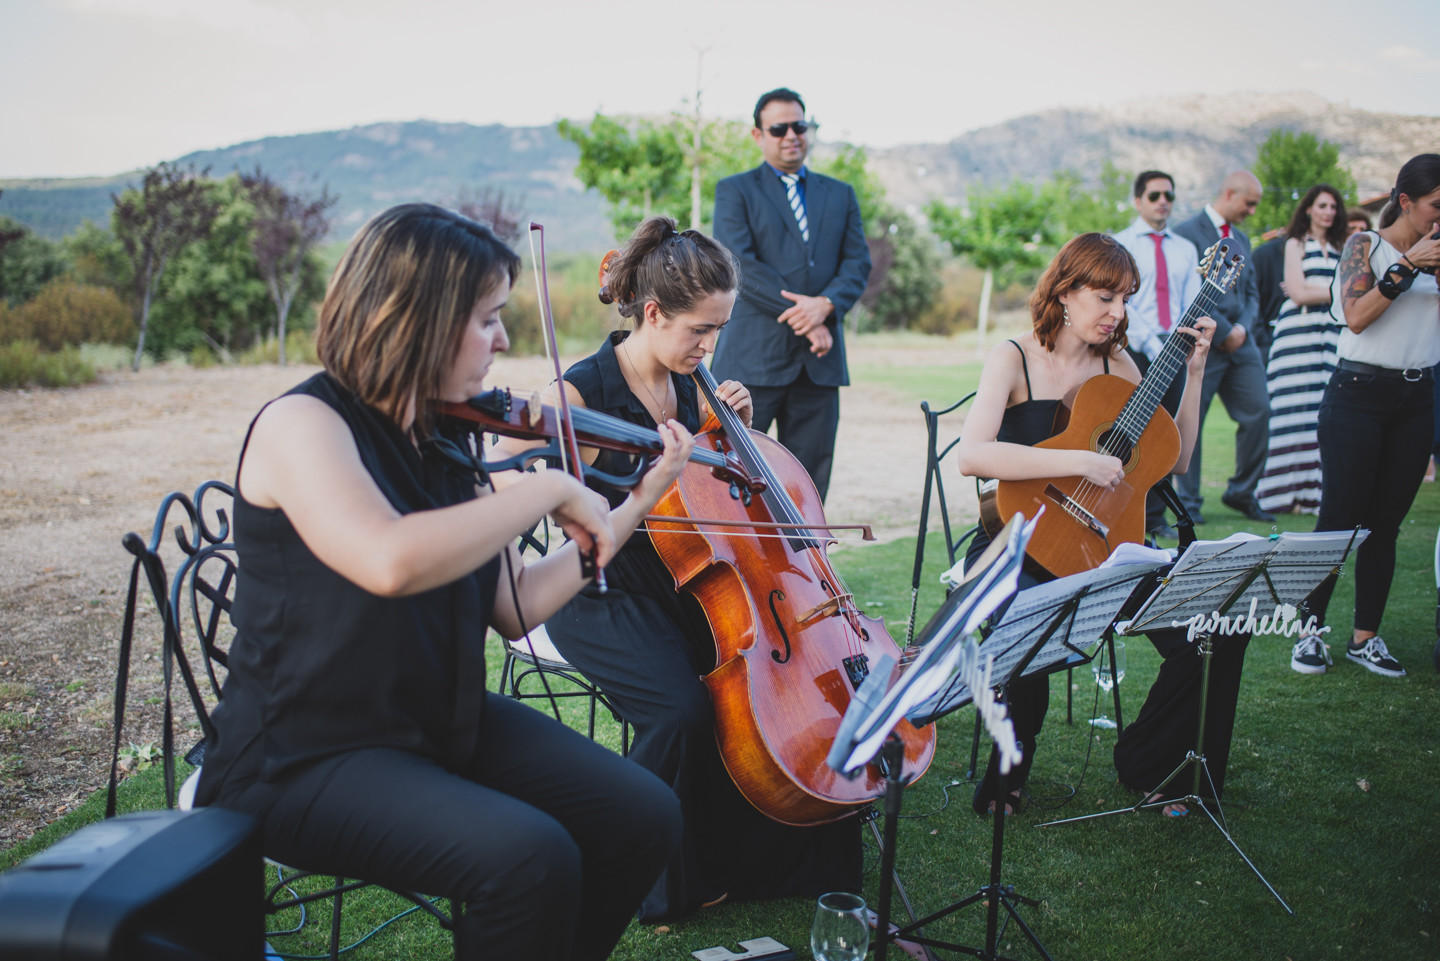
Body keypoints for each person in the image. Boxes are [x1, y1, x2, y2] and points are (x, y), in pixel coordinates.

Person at [194, 204, 684, 961]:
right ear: (417, 316)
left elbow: (515, 604)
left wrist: (637, 504)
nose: (504, 341)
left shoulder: (446, 430)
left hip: (431, 717)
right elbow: (389, 558)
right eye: (487, 318)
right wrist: (545, 488)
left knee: (644, 813)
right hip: (301, 754)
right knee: (529, 858)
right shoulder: (304, 424)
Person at [494, 216, 861, 922]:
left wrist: (727, 432)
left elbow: (710, 500)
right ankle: (640, 868)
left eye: (718, 330)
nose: (709, 346)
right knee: (682, 710)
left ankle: (755, 858)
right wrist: (562, 480)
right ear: (653, 313)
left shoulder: (695, 384)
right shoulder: (583, 393)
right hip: (597, 585)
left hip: (690, 581)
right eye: (699, 329)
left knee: (752, 701)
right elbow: (516, 479)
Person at [956, 233, 1230, 817]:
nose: (1118, 313)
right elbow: (972, 455)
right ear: (1065, 291)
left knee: (1205, 627)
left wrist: (1197, 372)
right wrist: (1078, 460)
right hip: (1015, 543)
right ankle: (1009, 771)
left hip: (1104, 546)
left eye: (1126, 299)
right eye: (1105, 297)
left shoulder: (1120, 364)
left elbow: (1172, 459)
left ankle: (1154, 763)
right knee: (1023, 630)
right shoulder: (1016, 356)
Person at [1291, 154, 1440, 677]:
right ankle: (1309, 633)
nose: (1439, 219)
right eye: (1435, 208)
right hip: (1357, 393)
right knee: (1338, 522)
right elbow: (1355, 317)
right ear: (1405, 202)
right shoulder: (1365, 246)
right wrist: (1408, 267)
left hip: (1419, 396)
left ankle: (1365, 638)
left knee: (1386, 526)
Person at [711, 87, 871, 503]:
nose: (791, 135)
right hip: (752, 362)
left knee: (810, 484)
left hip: (819, 366)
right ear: (757, 135)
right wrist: (808, 317)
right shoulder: (735, 191)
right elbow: (738, 265)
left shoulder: (841, 194)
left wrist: (826, 306)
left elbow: (857, 264)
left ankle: (808, 566)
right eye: (778, 128)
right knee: (739, 476)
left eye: (799, 126)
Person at [1173, 171, 1276, 525]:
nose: (1251, 211)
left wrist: (1243, 328)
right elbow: (1186, 291)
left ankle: (1241, 492)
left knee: (1259, 411)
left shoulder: (1243, 240)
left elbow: (1251, 291)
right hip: (1203, 341)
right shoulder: (1186, 233)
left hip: (1243, 345)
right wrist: (1224, 332)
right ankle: (1188, 501)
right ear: (1230, 193)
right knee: (1192, 420)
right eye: (1249, 203)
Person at [1114, 169, 1201, 539]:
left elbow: (1192, 302)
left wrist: (1184, 343)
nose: (1163, 201)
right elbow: (1124, 301)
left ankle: (1158, 515)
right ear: (1138, 201)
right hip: (1136, 348)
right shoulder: (1120, 244)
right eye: (1154, 196)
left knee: (1166, 436)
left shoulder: (1186, 248)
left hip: (1176, 348)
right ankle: (1128, 510)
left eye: (1168, 195)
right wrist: (1152, 344)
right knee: (1133, 432)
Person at [1255, 185, 1348, 517]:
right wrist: (1338, 292)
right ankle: (1283, 492)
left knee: (1325, 414)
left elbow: (1314, 291)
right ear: (1309, 208)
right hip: (1298, 336)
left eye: (1333, 206)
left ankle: (1315, 493)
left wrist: (1317, 291)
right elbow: (1296, 292)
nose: (1328, 212)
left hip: (1333, 335)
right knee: (1291, 411)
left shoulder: (1341, 247)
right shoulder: (1295, 243)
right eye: (1322, 205)